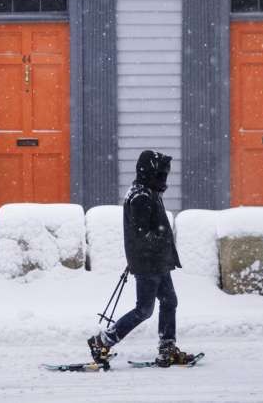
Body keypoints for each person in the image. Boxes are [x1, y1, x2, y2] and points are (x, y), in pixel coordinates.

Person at [87, 150, 195, 367]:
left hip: (157, 261)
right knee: (144, 310)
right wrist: (160, 236)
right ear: (150, 172)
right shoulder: (141, 197)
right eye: (161, 174)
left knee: (169, 301)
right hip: (149, 263)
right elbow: (141, 233)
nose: (164, 179)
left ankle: (167, 347)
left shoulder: (148, 191)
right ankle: (102, 341)